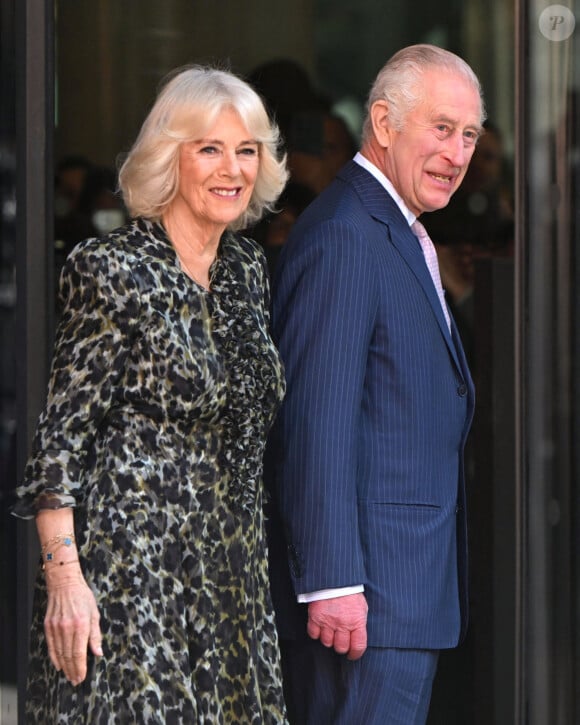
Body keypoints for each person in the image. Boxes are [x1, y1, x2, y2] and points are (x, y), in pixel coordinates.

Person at [13, 65, 289, 723]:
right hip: (134, 582)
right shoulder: (110, 270)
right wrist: (65, 581)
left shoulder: (249, 270)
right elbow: (59, 445)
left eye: (246, 150)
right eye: (210, 148)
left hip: (234, 575)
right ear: (171, 156)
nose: (233, 168)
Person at [267, 44, 485, 724]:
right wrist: (333, 580)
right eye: (442, 128)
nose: (458, 153)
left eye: (470, 134)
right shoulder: (346, 235)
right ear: (384, 124)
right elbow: (315, 420)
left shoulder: (394, 228)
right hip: (363, 607)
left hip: (398, 595)